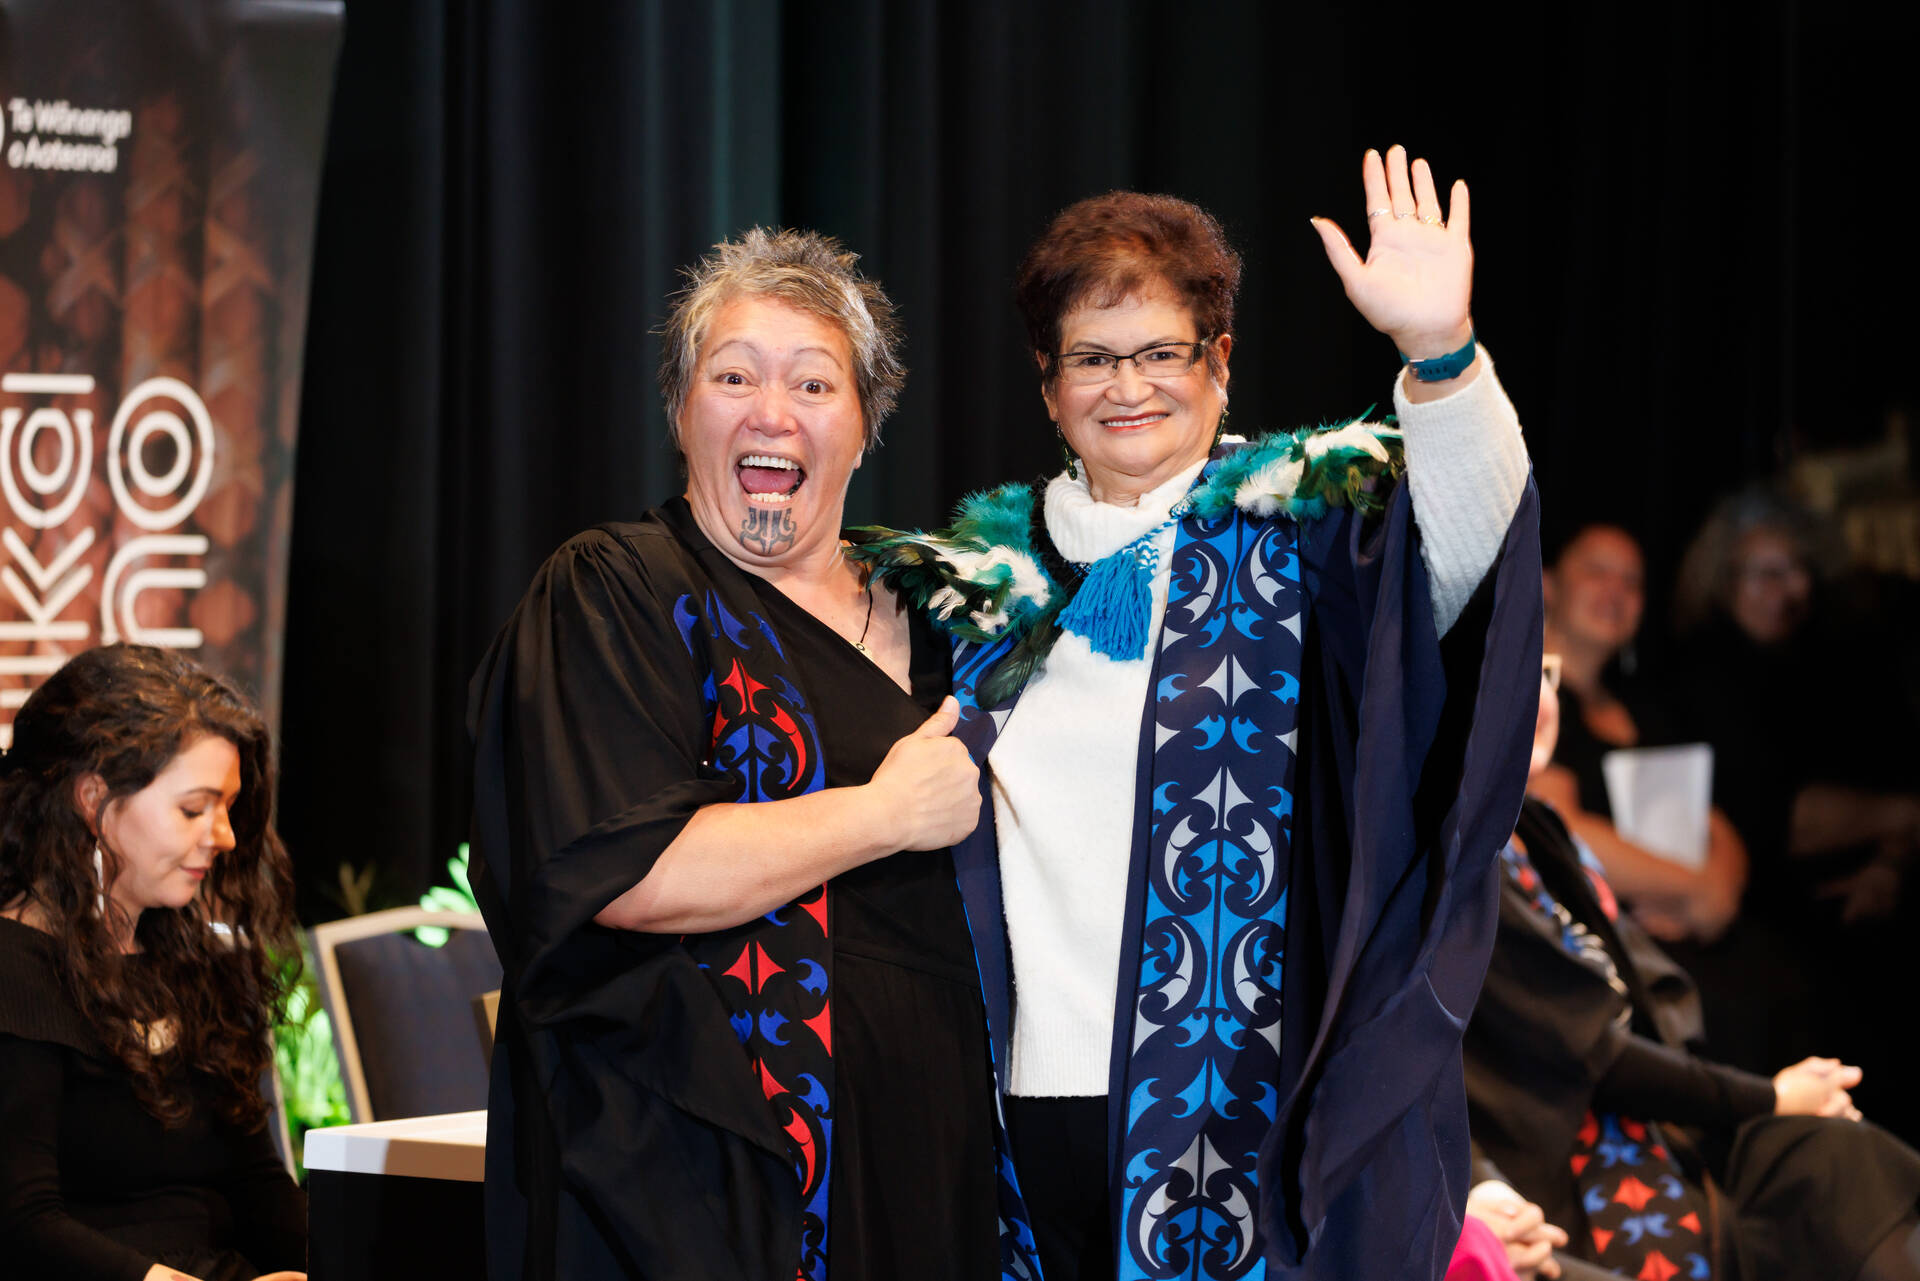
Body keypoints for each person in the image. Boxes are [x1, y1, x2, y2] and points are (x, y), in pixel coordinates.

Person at [852, 146, 1541, 1279]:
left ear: (1220, 362)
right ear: (1047, 383)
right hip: (1012, 1128)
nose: (1128, 388)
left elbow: (1465, 582)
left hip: (1241, 1123)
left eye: (1161, 351)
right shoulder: (977, 582)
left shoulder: (1303, 534)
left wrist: (1440, 356)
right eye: (1092, 358)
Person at [468, 228, 1003, 1281]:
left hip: (934, 1157)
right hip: (699, 1183)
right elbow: (627, 870)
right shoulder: (619, 589)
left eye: (814, 383)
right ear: (681, 410)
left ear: (864, 426)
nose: (772, 412)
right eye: (732, 376)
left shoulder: (949, 609)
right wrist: (885, 812)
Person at [1464, 655, 1920, 1281]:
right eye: (1520, 668)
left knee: (1844, 1158)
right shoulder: (1462, 857)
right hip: (1557, 1156)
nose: (1540, 699)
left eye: (1548, 676)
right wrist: (1773, 1097)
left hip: (1654, 1127)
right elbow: (1594, 1052)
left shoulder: (1540, 831)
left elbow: (1651, 1002)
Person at [0, 643, 306, 1281]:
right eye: (194, 809)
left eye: (225, 808)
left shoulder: (203, 964)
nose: (223, 835)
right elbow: (22, 1224)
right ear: (93, 801)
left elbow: (256, 1181)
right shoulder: (15, 971)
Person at [1535, 524, 1749, 944]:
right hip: (1586, 949)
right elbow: (1559, 830)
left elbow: (1718, 823)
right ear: (1547, 584)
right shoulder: (1531, 694)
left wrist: (1716, 901)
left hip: (1684, 938)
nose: (1615, 589)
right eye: (1597, 571)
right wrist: (1695, 889)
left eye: (1631, 581)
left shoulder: (1647, 709)